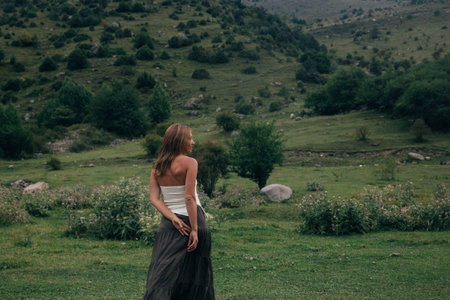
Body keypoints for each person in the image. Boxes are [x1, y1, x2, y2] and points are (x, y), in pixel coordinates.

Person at [143, 123, 215, 300]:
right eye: (190, 138)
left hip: (169, 224)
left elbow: (154, 199)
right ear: (180, 141)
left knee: (162, 274)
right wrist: (195, 229)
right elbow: (189, 197)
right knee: (196, 275)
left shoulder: (158, 166)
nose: (193, 142)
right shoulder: (190, 162)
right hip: (193, 220)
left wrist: (172, 218)